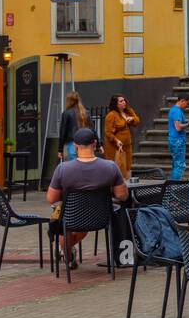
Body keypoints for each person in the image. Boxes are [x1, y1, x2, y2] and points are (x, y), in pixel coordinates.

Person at [46, 127, 128, 260]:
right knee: (78, 223)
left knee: (61, 218)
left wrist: (68, 195)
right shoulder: (111, 167)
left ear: (75, 146)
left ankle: (66, 253)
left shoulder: (63, 169)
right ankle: (67, 252)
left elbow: (51, 198)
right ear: (95, 144)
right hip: (101, 218)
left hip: (72, 217)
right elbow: (121, 196)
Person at [103, 95, 140, 180]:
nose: (124, 102)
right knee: (116, 167)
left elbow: (137, 120)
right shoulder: (111, 115)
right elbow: (108, 133)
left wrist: (132, 119)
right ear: (115, 104)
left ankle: (127, 188)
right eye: (121, 101)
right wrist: (116, 140)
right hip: (114, 147)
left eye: (124, 100)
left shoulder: (128, 111)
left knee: (127, 166)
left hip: (127, 145)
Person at [167, 93, 189, 180]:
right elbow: (178, 127)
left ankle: (172, 187)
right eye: (187, 103)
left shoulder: (174, 110)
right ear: (182, 101)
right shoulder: (177, 111)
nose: (187, 106)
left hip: (174, 140)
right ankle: (174, 187)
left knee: (176, 165)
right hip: (177, 141)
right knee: (179, 166)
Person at [58, 91, 89, 163]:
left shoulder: (66, 113)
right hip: (85, 144)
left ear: (69, 101)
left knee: (72, 168)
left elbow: (63, 132)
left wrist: (60, 149)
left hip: (71, 144)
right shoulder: (85, 112)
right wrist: (99, 145)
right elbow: (92, 129)